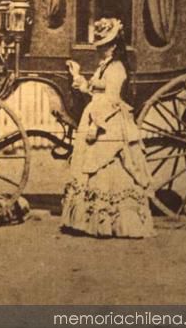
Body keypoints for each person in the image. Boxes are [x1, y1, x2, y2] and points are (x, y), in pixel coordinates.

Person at [61, 18, 155, 238]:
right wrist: (77, 75)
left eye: (104, 45)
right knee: (90, 168)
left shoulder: (117, 68)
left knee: (109, 165)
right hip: (98, 113)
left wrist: (96, 124)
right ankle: (92, 221)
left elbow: (111, 99)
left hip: (109, 121)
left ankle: (116, 223)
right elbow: (93, 91)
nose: (100, 49)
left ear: (114, 46)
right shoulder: (104, 66)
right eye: (99, 45)